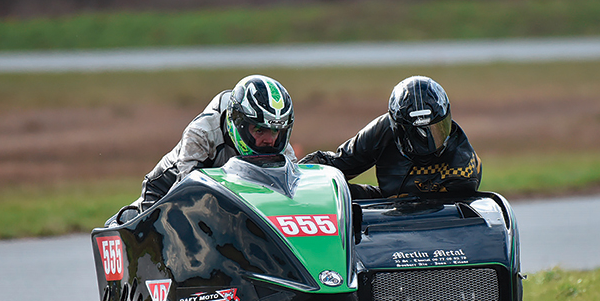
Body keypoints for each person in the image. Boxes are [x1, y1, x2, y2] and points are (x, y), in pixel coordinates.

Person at [125, 74, 296, 217]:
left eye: (275, 131)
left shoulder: (280, 147)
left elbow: (293, 188)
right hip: (164, 193)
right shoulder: (201, 133)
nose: (269, 140)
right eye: (259, 130)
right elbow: (186, 195)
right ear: (238, 123)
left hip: (226, 197)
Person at [300, 75, 480, 199]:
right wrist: (294, 176)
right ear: (397, 129)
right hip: (390, 204)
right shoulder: (383, 130)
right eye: (416, 134)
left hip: (432, 217)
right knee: (333, 191)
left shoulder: (463, 169)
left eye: (436, 129)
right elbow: (339, 163)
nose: (428, 142)